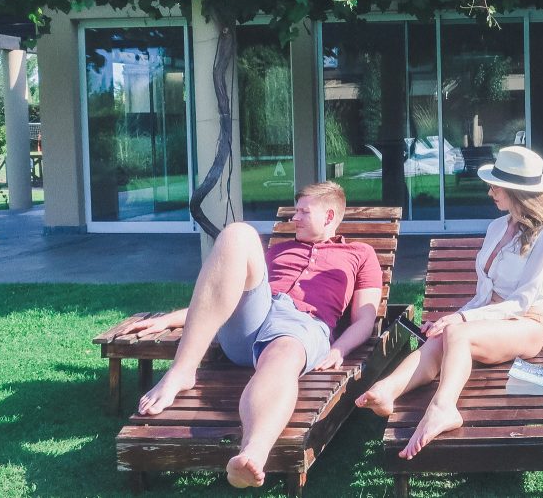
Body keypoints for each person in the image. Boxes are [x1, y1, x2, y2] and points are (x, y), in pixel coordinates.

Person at [115, 181, 382, 488]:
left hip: (303, 324)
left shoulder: (360, 254)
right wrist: (169, 320)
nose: (294, 218)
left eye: (303, 212)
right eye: (295, 211)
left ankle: (253, 453)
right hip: (256, 317)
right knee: (237, 234)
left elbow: (366, 318)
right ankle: (182, 371)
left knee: (282, 356)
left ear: (329, 216)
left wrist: (340, 349)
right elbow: (227, 295)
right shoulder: (278, 250)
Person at [356, 145, 543, 459]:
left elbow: (521, 301)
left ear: (516, 191)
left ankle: (443, 407)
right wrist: (455, 317)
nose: (490, 192)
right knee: (442, 336)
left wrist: (461, 321)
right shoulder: (497, 227)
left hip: (524, 324)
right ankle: (388, 390)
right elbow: (482, 295)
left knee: (457, 333)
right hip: (488, 321)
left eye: (495, 186)